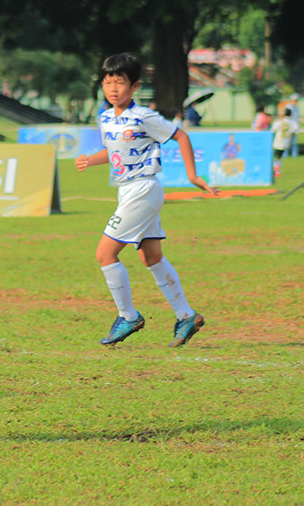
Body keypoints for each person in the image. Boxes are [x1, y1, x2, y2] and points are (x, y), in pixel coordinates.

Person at [74, 53, 217, 348]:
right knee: (150, 256)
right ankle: (186, 315)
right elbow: (114, 153)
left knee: (105, 254)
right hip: (128, 190)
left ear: (135, 86)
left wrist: (193, 176)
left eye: (121, 82)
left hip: (143, 189)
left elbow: (182, 137)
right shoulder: (105, 117)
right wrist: (91, 159)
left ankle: (127, 316)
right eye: (108, 82)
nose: (113, 89)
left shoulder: (144, 116)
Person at [270, 108, 297, 179]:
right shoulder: (292, 122)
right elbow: (296, 130)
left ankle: (276, 171)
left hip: (277, 142)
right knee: (279, 157)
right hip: (286, 142)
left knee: (276, 157)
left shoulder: (279, 122)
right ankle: (277, 170)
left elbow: (272, 130)